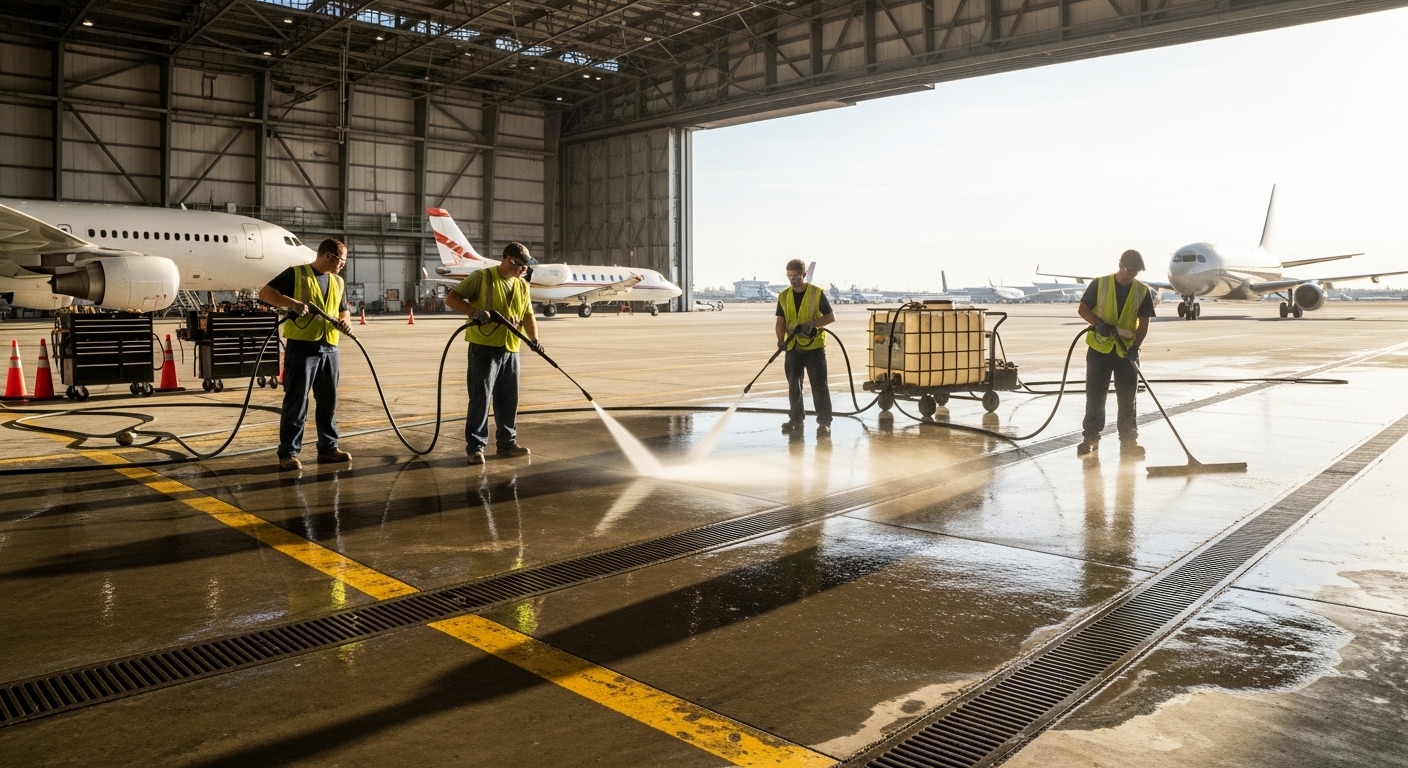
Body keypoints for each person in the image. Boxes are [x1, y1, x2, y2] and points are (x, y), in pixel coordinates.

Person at [258, 239, 356, 472]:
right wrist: (291, 303)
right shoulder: (296, 274)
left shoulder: (338, 282)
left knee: (328, 401)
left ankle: (329, 448)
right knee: (297, 400)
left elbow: (344, 310)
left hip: (330, 347)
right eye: (342, 260)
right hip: (302, 348)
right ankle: (289, 453)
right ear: (329, 256)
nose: (343, 265)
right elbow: (265, 293)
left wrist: (345, 323)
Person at [446, 242, 542, 465]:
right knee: (481, 398)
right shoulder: (483, 277)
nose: (524, 271)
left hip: (511, 347)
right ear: (509, 260)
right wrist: (473, 311)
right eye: (521, 266)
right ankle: (475, 447)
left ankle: (507, 443)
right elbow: (451, 298)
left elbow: (528, 316)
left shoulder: (522, 286)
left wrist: (534, 339)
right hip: (483, 347)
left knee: (508, 399)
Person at [1076, 249, 1157, 459]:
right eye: (1129, 270)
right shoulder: (1100, 283)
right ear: (1120, 265)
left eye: (1136, 272)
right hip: (1099, 350)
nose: (1131, 275)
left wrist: (1135, 347)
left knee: (1128, 399)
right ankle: (1090, 439)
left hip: (1126, 353)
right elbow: (1083, 308)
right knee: (1095, 397)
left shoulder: (1142, 291)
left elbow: (1144, 323)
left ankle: (1129, 441)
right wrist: (1097, 323)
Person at [776, 259, 836, 436]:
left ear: (804, 275)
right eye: (789, 276)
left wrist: (812, 324)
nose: (792, 279)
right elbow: (780, 321)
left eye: (795, 276)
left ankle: (824, 422)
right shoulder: (784, 296)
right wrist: (781, 341)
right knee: (794, 385)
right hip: (793, 346)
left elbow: (831, 317)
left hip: (813, 347)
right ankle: (796, 419)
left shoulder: (816, 293)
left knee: (819, 385)